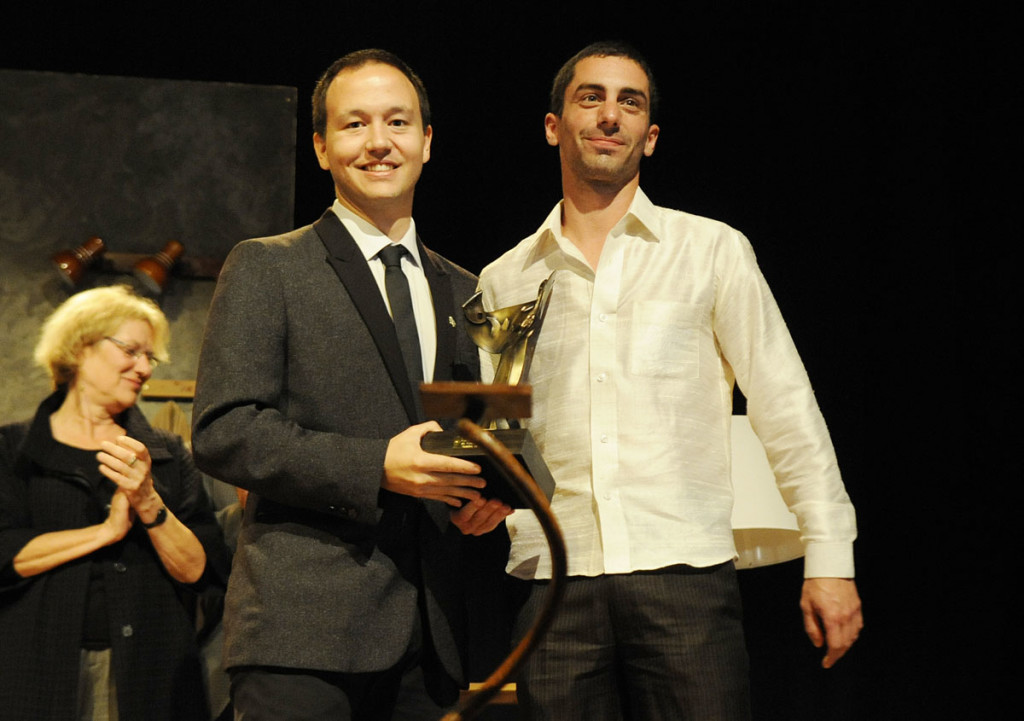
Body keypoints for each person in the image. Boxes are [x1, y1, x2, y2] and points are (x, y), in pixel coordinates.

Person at [477, 41, 864, 720]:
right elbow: (501, 435)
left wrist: (829, 553)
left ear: (648, 137)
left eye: (630, 103)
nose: (609, 116)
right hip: (555, 578)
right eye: (590, 97)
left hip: (682, 573)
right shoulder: (505, 278)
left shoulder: (710, 250)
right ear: (552, 125)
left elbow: (784, 403)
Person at [191, 48, 511, 721]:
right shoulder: (267, 266)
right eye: (353, 124)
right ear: (321, 147)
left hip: (432, 641)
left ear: (427, 140)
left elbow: (484, 427)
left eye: (397, 122)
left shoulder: (469, 288)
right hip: (301, 634)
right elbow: (224, 430)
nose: (377, 142)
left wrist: (498, 492)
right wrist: (376, 466)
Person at [0, 284, 230, 721]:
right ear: (81, 347)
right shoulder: (13, 451)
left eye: (151, 357)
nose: (144, 368)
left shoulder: (164, 453)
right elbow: (4, 552)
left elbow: (200, 568)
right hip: (35, 672)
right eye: (131, 350)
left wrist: (148, 503)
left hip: (148, 674)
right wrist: (104, 533)